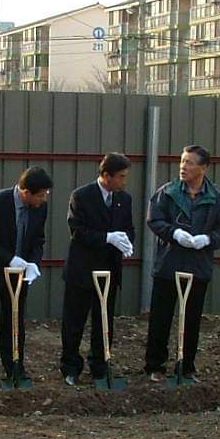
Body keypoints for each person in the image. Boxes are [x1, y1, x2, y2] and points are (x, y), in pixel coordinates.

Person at [144, 146, 220, 382]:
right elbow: (154, 220)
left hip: (197, 266)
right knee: (161, 317)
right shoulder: (167, 192)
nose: (183, 167)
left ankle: (186, 366)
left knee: (192, 318)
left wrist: (208, 239)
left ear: (204, 168)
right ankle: (155, 366)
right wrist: (173, 233)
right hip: (168, 263)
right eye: (182, 161)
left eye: (190, 163)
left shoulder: (215, 198)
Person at [0, 166, 52, 386]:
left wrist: (33, 263)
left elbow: (38, 239)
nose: (43, 199)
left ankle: (15, 368)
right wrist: (9, 259)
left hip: (18, 275)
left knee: (14, 321)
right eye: (40, 195)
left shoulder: (40, 208)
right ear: (26, 192)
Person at [60, 153, 136, 386]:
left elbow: (128, 228)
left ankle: (100, 366)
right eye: (121, 176)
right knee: (74, 321)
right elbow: (77, 230)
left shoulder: (124, 199)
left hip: (108, 269)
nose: (124, 181)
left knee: (104, 321)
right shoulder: (81, 196)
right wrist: (107, 237)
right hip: (82, 269)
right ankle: (70, 367)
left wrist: (125, 242)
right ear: (106, 175)